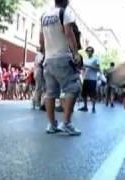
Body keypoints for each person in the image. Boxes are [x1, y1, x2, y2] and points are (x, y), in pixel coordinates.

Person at [40, 0, 81, 135]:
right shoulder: (64, 13)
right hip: (63, 57)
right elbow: (69, 34)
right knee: (74, 86)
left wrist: (45, 54)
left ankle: (52, 124)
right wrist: (75, 53)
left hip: (48, 59)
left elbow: (41, 38)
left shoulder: (44, 15)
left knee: (50, 93)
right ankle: (67, 123)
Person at [78, 46, 100, 113]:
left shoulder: (96, 59)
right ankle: (85, 107)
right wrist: (82, 68)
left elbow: (98, 68)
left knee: (92, 94)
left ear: (92, 51)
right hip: (86, 78)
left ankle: (93, 108)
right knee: (84, 94)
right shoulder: (85, 60)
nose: (89, 51)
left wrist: (88, 66)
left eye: (90, 50)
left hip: (92, 79)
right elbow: (83, 68)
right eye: (87, 50)